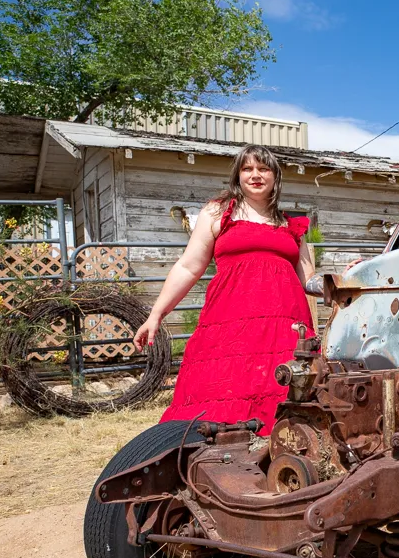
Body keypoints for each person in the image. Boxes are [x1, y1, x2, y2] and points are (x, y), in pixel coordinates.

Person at [133, 145, 316, 435]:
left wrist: (347, 278)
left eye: (263, 168)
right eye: (247, 169)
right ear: (238, 175)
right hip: (230, 323)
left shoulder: (290, 226)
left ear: (275, 176)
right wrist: (156, 314)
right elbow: (188, 267)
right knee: (217, 397)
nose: (255, 175)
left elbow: (310, 281)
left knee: (283, 395)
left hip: (284, 325)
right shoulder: (219, 212)